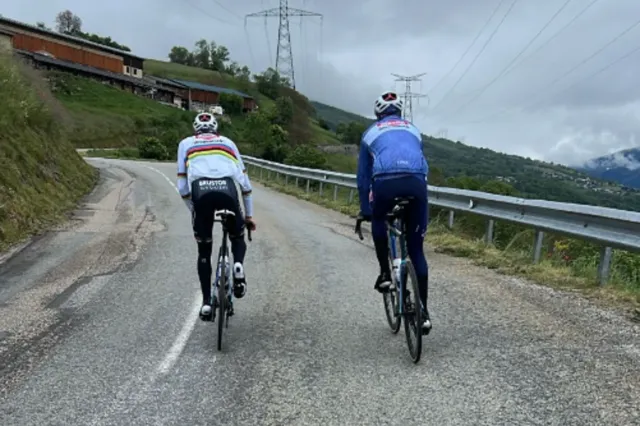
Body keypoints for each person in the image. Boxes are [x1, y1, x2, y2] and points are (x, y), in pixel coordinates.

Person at [356, 91, 432, 334]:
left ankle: (385, 273)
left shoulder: (370, 133)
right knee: (417, 251)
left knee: (378, 218)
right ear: (400, 112)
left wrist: (366, 210)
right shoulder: (414, 130)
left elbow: (363, 178)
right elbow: (423, 165)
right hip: (416, 183)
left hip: (386, 182)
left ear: (378, 114)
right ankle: (423, 314)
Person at [176, 112, 257, 321]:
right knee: (237, 237)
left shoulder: (185, 143)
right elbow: (245, 185)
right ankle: (238, 264)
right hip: (228, 190)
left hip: (200, 191)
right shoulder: (228, 142)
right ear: (216, 128)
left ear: (196, 129)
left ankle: (205, 303)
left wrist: (194, 210)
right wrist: (248, 216)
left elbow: (182, 186)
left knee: (204, 250)